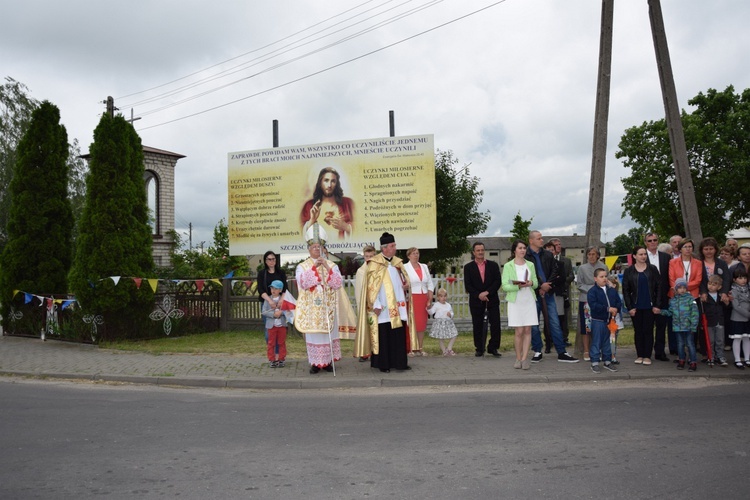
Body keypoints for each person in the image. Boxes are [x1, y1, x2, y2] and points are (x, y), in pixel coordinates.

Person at [354, 232, 417, 373]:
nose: (395, 248)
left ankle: (400, 362)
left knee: (398, 334)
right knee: (384, 334)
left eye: (394, 245)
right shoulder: (374, 263)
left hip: (398, 304)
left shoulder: (398, 262)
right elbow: (370, 287)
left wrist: (406, 286)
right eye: (392, 245)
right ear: (384, 248)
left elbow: (403, 280)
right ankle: (384, 364)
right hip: (382, 306)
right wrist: (375, 303)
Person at [295, 224, 344, 374]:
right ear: (309, 248)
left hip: (328, 308)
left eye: (319, 246)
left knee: (328, 334)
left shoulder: (332, 265)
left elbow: (337, 283)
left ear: (323, 248)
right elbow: (303, 283)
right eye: (314, 246)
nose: (317, 249)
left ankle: (328, 362)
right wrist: (315, 268)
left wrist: (327, 268)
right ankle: (315, 363)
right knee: (314, 335)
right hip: (312, 308)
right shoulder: (302, 266)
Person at [526, 231, 578, 363]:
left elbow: (555, 270)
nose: (542, 240)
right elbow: (527, 274)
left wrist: (547, 284)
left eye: (541, 238)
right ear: (531, 241)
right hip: (533, 294)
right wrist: (539, 286)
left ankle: (562, 352)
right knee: (534, 324)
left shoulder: (548, 254)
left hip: (548, 293)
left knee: (554, 321)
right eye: (539, 238)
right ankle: (537, 351)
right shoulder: (525, 256)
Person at [501, 239, 539, 370]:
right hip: (516, 300)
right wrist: (518, 286)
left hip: (528, 298)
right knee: (519, 331)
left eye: (524, 248)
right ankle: (518, 357)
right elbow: (505, 285)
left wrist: (531, 283)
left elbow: (536, 282)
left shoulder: (530, 264)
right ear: (514, 250)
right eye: (520, 248)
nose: (523, 250)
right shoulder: (508, 266)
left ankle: (524, 359)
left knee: (528, 330)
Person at [622, 246, 662, 365]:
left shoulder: (652, 269)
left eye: (645, 254)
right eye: (640, 254)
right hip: (636, 306)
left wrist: (657, 305)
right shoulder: (629, 271)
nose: (643, 256)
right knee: (638, 331)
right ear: (634, 256)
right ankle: (640, 354)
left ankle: (647, 355)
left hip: (650, 306)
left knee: (648, 330)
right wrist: (630, 307)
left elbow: (659, 287)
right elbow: (626, 290)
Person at [464, 242, 502, 357]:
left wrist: (487, 292)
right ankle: (479, 348)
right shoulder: (468, 267)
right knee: (478, 325)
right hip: (476, 301)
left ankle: (493, 347)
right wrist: (479, 294)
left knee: (495, 324)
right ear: (473, 252)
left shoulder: (493, 265)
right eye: (478, 250)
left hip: (492, 300)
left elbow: (497, 281)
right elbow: (468, 285)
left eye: (482, 250)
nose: (480, 252)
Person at [300, 167, 354, 241]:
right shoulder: (309, 206)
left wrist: (346, 227)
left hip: (341, 250)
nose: (329, 185)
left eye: (333, 181)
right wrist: (312, 220)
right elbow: (303, 236)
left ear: (337, 184)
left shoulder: (348, 204)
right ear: (320, 182)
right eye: (326, 180)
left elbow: (360, 229)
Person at [644, 232, 674, 359]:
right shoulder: (642, 256)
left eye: (655, 240)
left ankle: (660, 352)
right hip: (647, 296)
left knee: (661, 326)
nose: (652, 242)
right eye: (649, 240)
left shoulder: (666, 257)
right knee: (647, 327)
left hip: (663, 296)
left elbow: (669, 276)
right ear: (645, 242)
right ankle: (645, 352)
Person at [587, 268, 622, 373]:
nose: (604, 278)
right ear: (595, 278)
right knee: (596, 342)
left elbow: (618, 301)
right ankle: (595, 362)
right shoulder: (592, 291)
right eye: (601, 277)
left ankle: (607, 361)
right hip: (598, 321)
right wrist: (607, 309)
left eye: (605, 276)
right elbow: (593, 305)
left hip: (610, 321)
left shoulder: (611, 290)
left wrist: (616, 308)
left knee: (609, 342)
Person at [576, 246, 607, 362]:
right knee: (587, 327)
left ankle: (597, 349)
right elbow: (579, 284)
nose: (591, 256)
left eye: (594, 254)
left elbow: (606, 281)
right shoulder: (582, 268)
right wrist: (592, 289)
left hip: (600, 300)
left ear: (598, 255)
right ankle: (586, 350)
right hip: (586, 300)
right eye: (589, 254)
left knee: (598, 326)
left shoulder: (603, 267)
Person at [661, 278, 699, 371]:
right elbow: (670, 312)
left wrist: (693, 325)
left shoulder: (691, 299)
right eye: (680, 288)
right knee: (680, 344)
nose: (682, 289)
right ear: (676, 289)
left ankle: (693, 361)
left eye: (684, 287)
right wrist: (661, 312)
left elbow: (695, 313)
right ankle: (681, 360)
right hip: (678, 327)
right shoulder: (673, 301)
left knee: (690, 344)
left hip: (688, 327)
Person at [404, 247, 435, 356]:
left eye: (417, 253)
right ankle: (411, 348)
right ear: (408, 256)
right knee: (412, 323)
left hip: (423, 297)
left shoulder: (424, 266)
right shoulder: (405, 267)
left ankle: (420, 348)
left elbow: (430, 282)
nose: (416, 255)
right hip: (412, 297)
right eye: (413, 253)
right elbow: (403, 283)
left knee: (422, 324)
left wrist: (430, 295)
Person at [257, 250, 287, 354]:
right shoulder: (262, 274)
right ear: (265, 261)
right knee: (268, 330)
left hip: (280, 304)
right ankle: (272, 354)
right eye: (269, 259)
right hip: (267, 304)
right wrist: (270, 301)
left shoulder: (281, 272)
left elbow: (285, 289)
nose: (271, 261)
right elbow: (260, 289)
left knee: (280, 330)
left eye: (273, 259)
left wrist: (281, 300)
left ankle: (279, 355)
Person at [260, 280, 292, 368]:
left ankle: (281, 359)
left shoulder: (284, 300)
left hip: (282, 325)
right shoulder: (268, 300)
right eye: (272, 288)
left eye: (276, 288)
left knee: (281, 342)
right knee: (271, 343)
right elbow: (264, 312)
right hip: (271, 326)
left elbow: (288, 311)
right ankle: (272, 359)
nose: (273, 290)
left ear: (280, 290)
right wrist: (273, 315)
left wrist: (281, 313)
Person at [549, 238, 574, 346]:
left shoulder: (566, 260)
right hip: (551, 291)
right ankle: (550, 339)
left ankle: (564, 338)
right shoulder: (547, 260)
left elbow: (571, 275)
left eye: (559, 244)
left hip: (563, 291)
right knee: (551, 316)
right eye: (556, 245)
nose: (558, 246)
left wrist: (562, 281)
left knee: (564, 315)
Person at [354, 245, 377, 362]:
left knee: (377, 328)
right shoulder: (361, 271)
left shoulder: (380, 269)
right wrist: (362, 304)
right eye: (367, 256)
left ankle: (377, 351)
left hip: (377, 304)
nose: (369, 258)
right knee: (366, 327)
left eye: (371, 256)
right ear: (364, 257)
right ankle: (365, 352)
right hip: (366, 304)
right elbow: (359, 290)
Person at [702, 274, 728, 366]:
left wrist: (726, 302)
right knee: (710, 340)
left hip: (719, 321)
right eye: (709, 283)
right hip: (709, 322)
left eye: (714, 284)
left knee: (720, 340)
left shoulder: (721, 296)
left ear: (719, 286)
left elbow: (727, 308)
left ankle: (720, 356)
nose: (711, 286)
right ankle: (711, 356)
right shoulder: (705, 297)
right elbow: (702, 310)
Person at [729, 267, 750, 369]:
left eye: (745, 278)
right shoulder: (733, 291)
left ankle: (747, 359)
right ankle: (737, 359)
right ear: (734, 279)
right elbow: (736, 306)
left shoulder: (748, 289)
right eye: (740, 278)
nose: (743, 280)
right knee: (737, 339)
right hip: (737, 318)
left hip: (747, 319)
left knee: (747, 338)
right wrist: (748, 314)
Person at [427, 288, 459, 356]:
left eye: (444, 296)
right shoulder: (436, 305)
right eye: (441, 296)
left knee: (454, 334)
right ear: (438, 297)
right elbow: (431, 312)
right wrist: (428, 308)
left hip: (448, 322)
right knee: (441, 338)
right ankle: (444, 351)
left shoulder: (448, 305)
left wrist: (450, 314)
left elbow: (451, 312)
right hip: (439, 323)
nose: (443, 298)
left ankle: (449, 348)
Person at [607, 275, 624, 364]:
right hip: (607, 321)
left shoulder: (619, 296)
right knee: (606, 339)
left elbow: (620, 307)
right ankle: (606, 355)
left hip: (615, 322)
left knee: (613, 340)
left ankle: (613, 356)